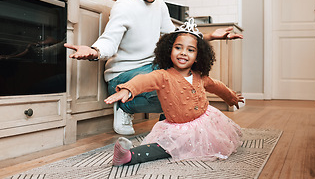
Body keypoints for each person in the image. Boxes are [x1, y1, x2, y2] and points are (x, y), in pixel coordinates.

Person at [64, 0, 243, 135]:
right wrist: (94, 51)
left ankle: (169, 121)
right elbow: (109, 40)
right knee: (174, 87)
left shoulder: (160, 5)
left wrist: (211, 36)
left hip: (150, 68)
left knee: (186, 77)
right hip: (123, 77)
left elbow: (176, 38)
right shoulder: (124, 6)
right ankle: (124, 106)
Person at [104, 18, 244, 166]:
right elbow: (143, 80)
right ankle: (129, 156)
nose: (183, 53)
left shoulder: (200, 76)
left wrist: (231, 97)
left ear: (198, 57)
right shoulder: (163, 76)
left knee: (218, 140)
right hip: (178, 128)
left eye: (190, 50)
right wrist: (128, 89)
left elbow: (217, 86)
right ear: (169, 51)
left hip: (205, 122)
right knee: (165, 147)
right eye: (178, 48)